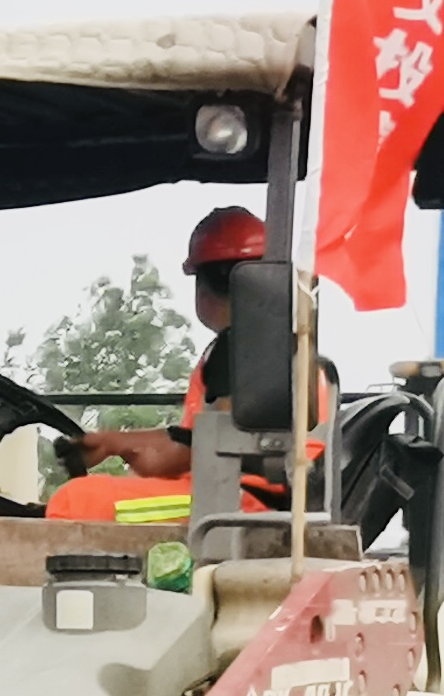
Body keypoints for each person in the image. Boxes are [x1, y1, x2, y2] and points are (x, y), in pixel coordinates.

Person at [49, 209, 325, 525]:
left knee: (74, 502)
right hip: (237, 491)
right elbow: (193, 441)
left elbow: (200, 450)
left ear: (206, 285)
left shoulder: (245, 348)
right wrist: (115, 443)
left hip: (238, 503)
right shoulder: (272, 343)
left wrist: (129, 448)